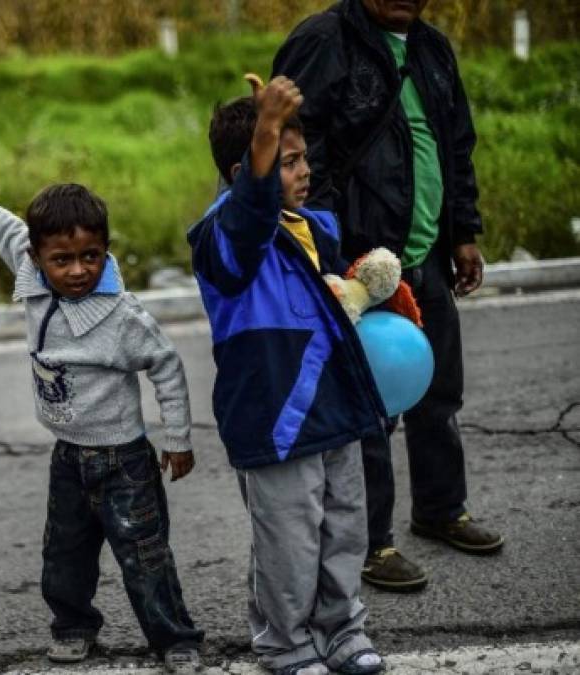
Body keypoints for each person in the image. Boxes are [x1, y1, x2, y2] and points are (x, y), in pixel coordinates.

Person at [0, 184, 204, 673]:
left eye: (91, 256)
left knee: (144, 555)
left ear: (106, 251)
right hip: (68, 455)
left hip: (123, 461)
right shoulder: (29, 270)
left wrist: (177, 438)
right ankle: (73, 627)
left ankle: (175, 639)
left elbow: (166, 366)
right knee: (64, 552)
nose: (77, 270)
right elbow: (0, 223)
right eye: (63, 259)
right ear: (36, 256)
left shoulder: (122, 316)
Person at [271, 0, 504, 593]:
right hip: (361, 262)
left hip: (423, 253)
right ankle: (371, 542)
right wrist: (325, 251)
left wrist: (464, 233)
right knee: (370, 408)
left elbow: (456, 146)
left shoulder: (431, 47)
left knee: (436, 390)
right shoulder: (325, 40)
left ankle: (441, 509)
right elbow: (297, 154)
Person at [188, 74, 385, 675]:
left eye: (304, 159)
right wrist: (265, 128)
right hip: (276, 420)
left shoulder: (316, 227)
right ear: (242, 170)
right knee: (288, 545)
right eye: (286, 160)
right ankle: (286, 643)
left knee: (345, 529)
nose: (303, 172)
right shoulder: (222, 237)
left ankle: (343, 628)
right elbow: (250, 219)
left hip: (334, 409)